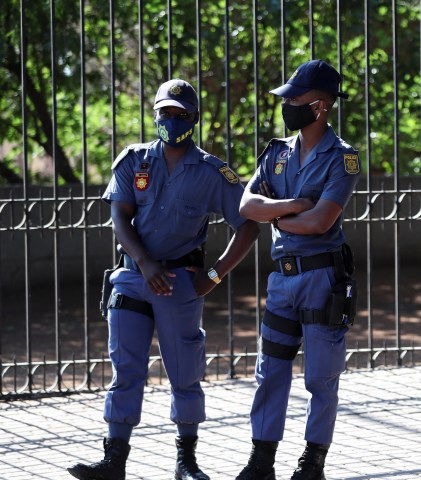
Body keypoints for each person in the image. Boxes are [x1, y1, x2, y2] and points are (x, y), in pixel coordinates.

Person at [68, 79, 260, 480]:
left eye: (180, 114)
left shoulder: (212, 172)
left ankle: (186, 462)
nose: (171, 121)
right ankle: (114, 460)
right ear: (155, 114)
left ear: (193, 119)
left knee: (184, 371)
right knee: (127, 369)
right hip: (133, 278)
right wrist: (143, 262)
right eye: (164, 113)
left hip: (181, 282)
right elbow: (119, 216)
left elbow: (248, 225)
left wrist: (214, 273)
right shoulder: (134, 160)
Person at [234, 59, 360, 480]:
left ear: (321, 106)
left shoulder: (342, 159)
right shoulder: (277, 152)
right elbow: (246, 206)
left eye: (295, 98)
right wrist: (289, 208)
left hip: (322, 278)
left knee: (320, 378)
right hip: (283, 278)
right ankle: (261, 460)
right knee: (270, 371)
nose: (287, 105)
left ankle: (312, 464)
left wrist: (274, 215)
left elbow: (321, 221)